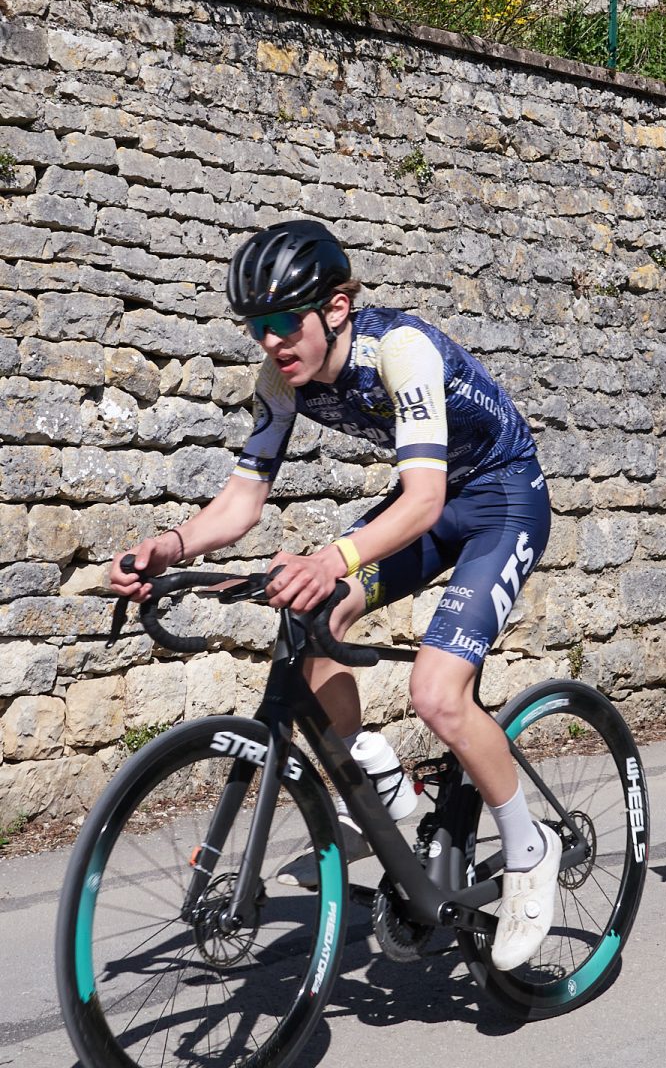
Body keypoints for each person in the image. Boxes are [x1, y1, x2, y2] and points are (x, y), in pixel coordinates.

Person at [108, 220, 557, 972]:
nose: (271, 341)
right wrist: (171, 545)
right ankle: (375, 777)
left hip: (503, 499)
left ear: (337, 309)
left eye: (286, 321)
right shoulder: (279, 381)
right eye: (256, 325)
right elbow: (242, 502)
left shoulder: (400, 351)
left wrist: (331, 558)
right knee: (308, 613)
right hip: (431, 501)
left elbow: (422, 499)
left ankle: (529, 849)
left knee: (437, 694)